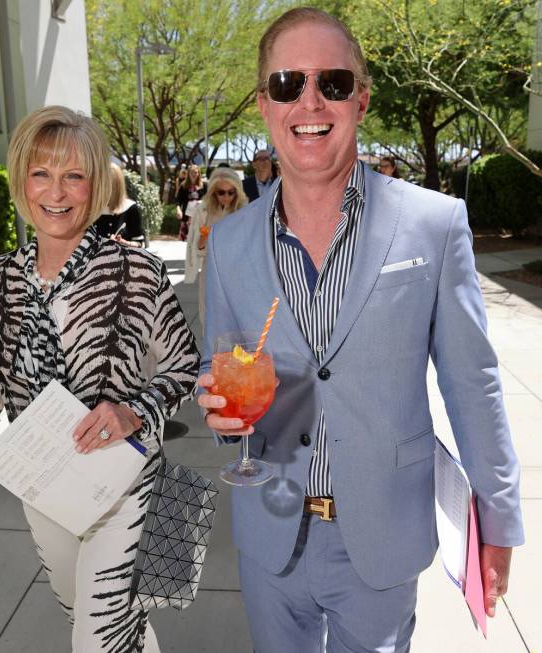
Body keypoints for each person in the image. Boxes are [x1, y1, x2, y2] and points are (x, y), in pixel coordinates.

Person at [197, 8, 524, 653]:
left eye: (334, 83)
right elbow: (223, 372)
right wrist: (218, 413)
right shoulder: (229, 242)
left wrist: (498, 518)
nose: (310, 102)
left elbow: (473, 382)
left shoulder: (435, 224)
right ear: (265, 104)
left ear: (362, 98)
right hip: (270, 530)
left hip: (382, 536)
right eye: (289, 84)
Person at [0, 106, 199, 652]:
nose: (57, 191)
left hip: (125, 481)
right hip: (43, 486)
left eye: (74, 175)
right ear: (22, 180)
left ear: (94, 186)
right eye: (41, 173)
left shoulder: (136, 270)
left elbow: (185, 365)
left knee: (97, 637)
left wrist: (136, 410)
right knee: (98, 622)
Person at [183, 167, 248, 328]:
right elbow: (195, 248)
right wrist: (205, 239)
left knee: (237, 324)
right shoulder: (203, 211)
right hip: (211, 272)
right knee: (211, 321)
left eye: (231, 192)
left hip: (238, 274)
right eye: (221, 192)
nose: (226, 197)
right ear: (213, 192)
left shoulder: (246, 211)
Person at [96, 162, 145, 247]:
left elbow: (139, 243)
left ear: (117, 185)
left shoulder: (130, 208)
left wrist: (125, 243)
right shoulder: (91, 210)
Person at [175, 163, 204, 241]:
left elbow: (208, 199)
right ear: (188, 174)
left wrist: (202, 202)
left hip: (199, 217)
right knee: (188, 242)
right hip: (187, 218)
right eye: (192, 172)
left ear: (199, 174)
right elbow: (178, 201)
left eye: (196, 172)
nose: (194, 174)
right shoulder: (183, 186)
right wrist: (178, 210)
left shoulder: (203, 186)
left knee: (198, 240)